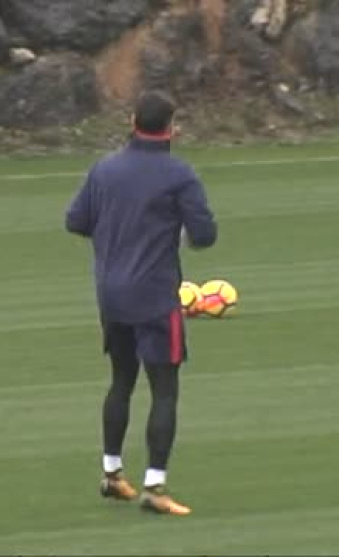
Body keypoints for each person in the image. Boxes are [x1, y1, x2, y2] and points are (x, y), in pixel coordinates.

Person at [64, 90, 218, 516]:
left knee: (121, 380)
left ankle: (112, 474)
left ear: (132, 121)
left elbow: (75, 221)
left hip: (111, 294)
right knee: (164, 389)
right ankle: (155, 485)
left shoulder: (104, 169)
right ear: (172, 128)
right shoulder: (179, 174)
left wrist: (116, 234)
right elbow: (204, 236)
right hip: (154, 296)